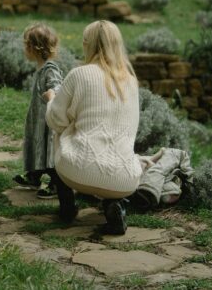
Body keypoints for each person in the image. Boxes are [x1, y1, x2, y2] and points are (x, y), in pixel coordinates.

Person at [46, 20, 142, 235]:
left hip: (77, 173)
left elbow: (56, 119)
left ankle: (67, 208)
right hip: (126, 180)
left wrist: (52, 98)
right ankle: (114, 205)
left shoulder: (79, 74)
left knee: (59, 131)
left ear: (87, 44)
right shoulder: (131, 81)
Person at [14, 23, 66, 199]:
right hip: (38, 119)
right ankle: (34, 176)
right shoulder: (40, 68)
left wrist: (52, 94)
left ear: (33, 48)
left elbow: (57, 87)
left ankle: (56, 184)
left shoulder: (50, 69)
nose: (24, 49)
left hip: (47, 121)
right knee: (36, 146)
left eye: (25, 45)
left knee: (47, 150)